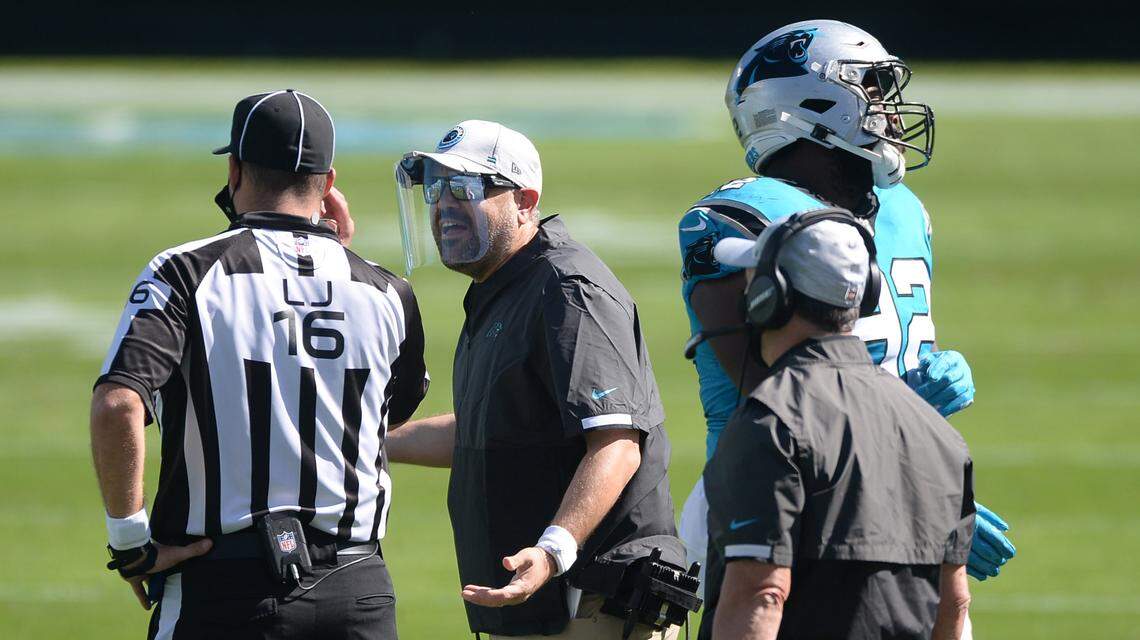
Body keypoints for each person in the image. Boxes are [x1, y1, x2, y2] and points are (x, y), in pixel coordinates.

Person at [675, 19, 1014, 602]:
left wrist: (927, 473)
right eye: (872, 88)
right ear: (808, 103)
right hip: (773, 511)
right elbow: (777, 405)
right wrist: (914, 450)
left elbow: (883, 366)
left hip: (889, 498)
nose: (889, 108)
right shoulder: (741, 218)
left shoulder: (905, 210)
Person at [90, 89, 428, 639]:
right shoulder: (387, 289)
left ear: (235, 170)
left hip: (224, 588)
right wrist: (334, 256)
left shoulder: (184, 272)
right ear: (329, 183)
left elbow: (118, 403)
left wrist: (130, 542)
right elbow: (382, 418)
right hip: (358, 590)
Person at [387, 120, 688, 639]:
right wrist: (359, 441)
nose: (442, 207)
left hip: (593, 596)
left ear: (524, 201)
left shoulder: (567, 289)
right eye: (435, 190)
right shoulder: (503, 286)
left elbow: (616, 442)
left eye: (465, 189)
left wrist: (552, 550)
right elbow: (491, 429)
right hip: (545, 598)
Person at [700, 210, 975, 640]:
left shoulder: (772, 420)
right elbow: (954, 606)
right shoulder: (939, 435)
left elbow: (761, 593)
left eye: (754, 278)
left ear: (772, 298)